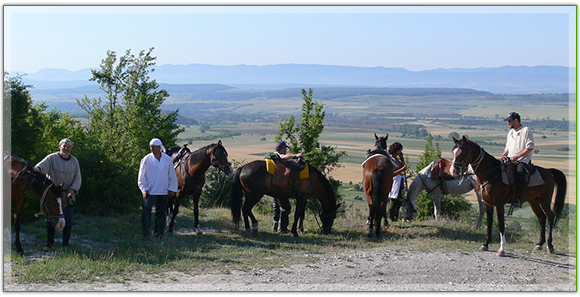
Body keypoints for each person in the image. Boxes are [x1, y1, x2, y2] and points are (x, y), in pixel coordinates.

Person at [35, 138, 82, 250]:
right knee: (51, 219)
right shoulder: (52, 158)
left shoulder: (74, 161)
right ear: (59, 146)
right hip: (54, 194)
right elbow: (39, 168)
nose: (66, 148)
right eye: (64, 145)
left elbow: (78, 177)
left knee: (68, 219)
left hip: (68, 195)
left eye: (69, 146)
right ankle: (49, 244)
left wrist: (73, 189)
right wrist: (35, 171)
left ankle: (65, 244)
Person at [138, 138, 178, 238]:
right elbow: (141, 176)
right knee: (147, 211)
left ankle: (159, 233)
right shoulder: (146, 159)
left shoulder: (167, 159)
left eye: (153, 146)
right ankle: (146, 233)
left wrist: (172, 189)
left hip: (163, 190)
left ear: (159, 147)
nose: (151, 148)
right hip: (150, 191)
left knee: (161, 213)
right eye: (150, 146)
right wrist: (144, 189)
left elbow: (172, 175)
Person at [500, 112, 534, 209]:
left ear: (516, 120)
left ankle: (518, 200)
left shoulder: (526, 130)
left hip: (523, 160)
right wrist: (501, 157)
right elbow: (507, 149)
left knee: (519, 175)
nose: (508, 123)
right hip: (510, 159)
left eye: (509, 121)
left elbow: (530, 147)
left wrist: (517, 156)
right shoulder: (510, 132)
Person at [387, 142, 407, 221]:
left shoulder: (396, 159)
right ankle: (391, 217)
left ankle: (396, 217)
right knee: (394, 200)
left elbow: (403, 166)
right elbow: (392, 173)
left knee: (399, 201)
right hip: (394, 182)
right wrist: (401, 170)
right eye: (399, 150)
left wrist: (402, 159)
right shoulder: (390, 159)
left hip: (399, 182)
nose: (400, 152)